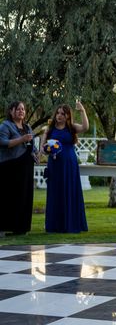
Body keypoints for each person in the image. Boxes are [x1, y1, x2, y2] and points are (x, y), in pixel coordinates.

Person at [44, 101, 89, 233]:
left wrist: (82, 110)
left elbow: (85, 127)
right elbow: (43, 148)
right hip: (55, 164)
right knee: (55, 192)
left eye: (63, 114)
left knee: (70, 191)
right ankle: (55, 225)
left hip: (69, 164)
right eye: (58, 113)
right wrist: (48, 150)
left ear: (68, 116)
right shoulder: (49, 130)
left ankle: (71, 223)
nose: (59, 116)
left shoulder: (71, 128)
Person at [0, 101, 38, 235]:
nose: (21, 111)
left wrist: (35, 152)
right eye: (18, 109)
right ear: (11, 111)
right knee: (10, 197)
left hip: (26, 167)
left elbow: (31, 144)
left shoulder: (27, 127)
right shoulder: (5, 126)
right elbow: (3, 143)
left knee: (25, 197)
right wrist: (21, 139)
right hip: (11, 167)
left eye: (23, 109)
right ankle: (6, 227)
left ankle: (22, 228)